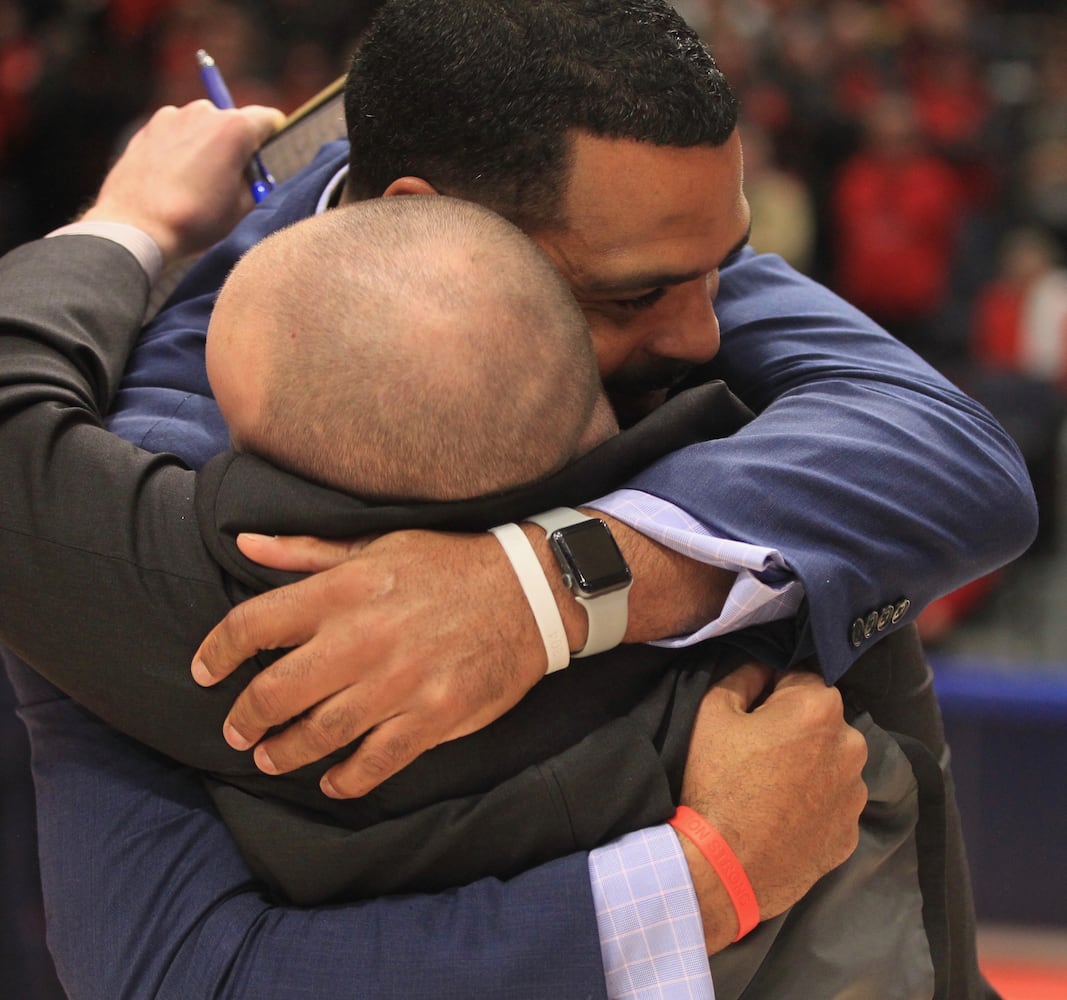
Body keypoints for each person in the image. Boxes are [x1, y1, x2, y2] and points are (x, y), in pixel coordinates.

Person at [4, 0, 1035, 995]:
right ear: (430, 222)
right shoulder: (155, 500)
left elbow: (952, 454)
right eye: (632, 296)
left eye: (722, 265)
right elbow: (178, 972)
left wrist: (547, 586)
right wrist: (701, 880)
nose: (707, 338)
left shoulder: (637, 248)